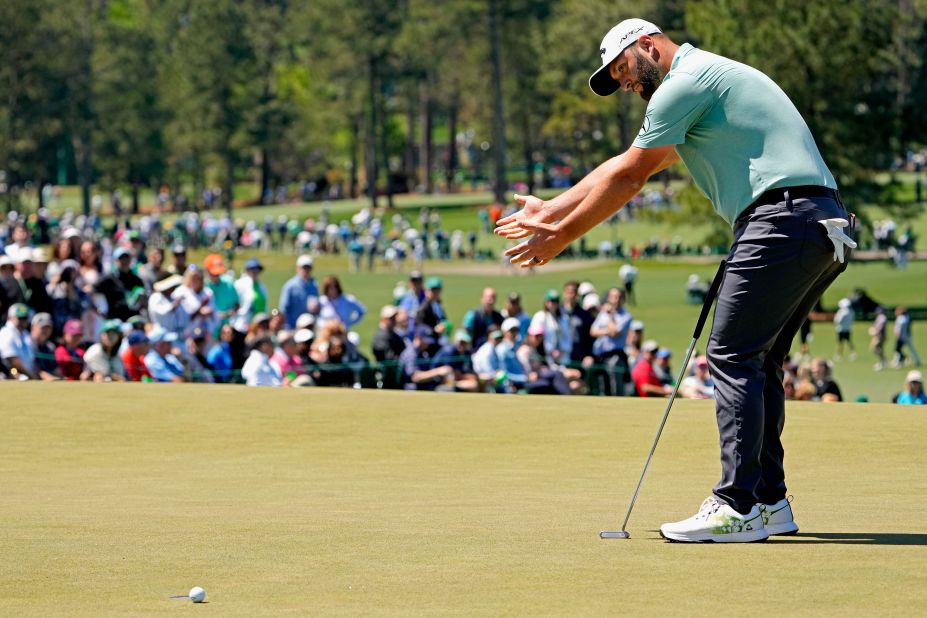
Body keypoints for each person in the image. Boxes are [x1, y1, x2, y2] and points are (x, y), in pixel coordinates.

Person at [496, 17, 854, 542]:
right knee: (760, 359)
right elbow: (626, 163)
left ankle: (736, 504)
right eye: (616, 77)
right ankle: (769, 500)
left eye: (623, 68)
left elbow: (630, 176)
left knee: (731, 356)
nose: (624, 82)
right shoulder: (703, 84)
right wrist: (551, 208)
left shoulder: (683, 83)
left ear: (648, 45)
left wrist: (560, 234)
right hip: (818, 222)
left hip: (782, 219)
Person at [279, 255, 319, 329]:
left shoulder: (314, 285)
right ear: (297, 268)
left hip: (309, 326)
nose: (306, 270)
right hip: (292, 327)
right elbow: (283, 309)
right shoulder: (290, 286)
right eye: (304, 268)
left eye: (308, 268)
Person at [0, 303, 37, 379]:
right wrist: (31, 375)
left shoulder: (26, 334)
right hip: (11, 374)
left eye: (25, 318)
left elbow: (32, 359)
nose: (23, 321)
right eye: (20, 318)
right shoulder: (6, 332)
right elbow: (12, 360)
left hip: (27, 374)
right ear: (10, 318)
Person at [234, 258, 269, 331]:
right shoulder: (239, 284)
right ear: (247, 270)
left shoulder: (262, 286)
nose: (254, 272)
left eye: (257, 269)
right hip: (243, 323)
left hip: (259, 323)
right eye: (252, 269)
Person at [30, 312, 61, 380]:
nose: (46, 330)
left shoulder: (50, 346)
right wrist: (48, 377)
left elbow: (55, 368)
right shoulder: (27, 344)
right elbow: (33, 367)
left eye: (48, 327)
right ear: (33, 327)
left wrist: (62, 378)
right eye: (43, 327)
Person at [869, 306, 888, 371]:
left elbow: (880, 327)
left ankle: (883, 361)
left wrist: (875, 332)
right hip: (878, 336)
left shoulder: (882, 317)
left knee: (875, 348)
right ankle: (882, 362)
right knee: (879, 349)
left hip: (880, 336)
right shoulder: (879, 317)